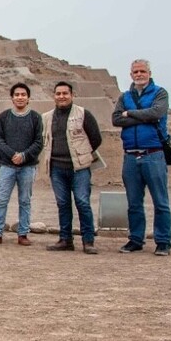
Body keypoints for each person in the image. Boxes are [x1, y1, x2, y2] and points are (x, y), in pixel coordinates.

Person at [112, 59, 171, 256]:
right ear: (131, 75)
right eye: (135, 72)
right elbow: (116, 119)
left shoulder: (160, 93)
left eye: (142, 71)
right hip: (131, 155)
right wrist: (142, 116)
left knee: (160, 201)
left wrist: (130, 114)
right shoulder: (125, 96)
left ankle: (163, 241)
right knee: (134, 202)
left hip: (153, 154)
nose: (139, 75)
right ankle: (136, 239)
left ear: (149, 73)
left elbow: (157, 113)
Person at [44, 82, 102, 254]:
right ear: (54, 95)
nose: (62, 96)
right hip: (56, 167)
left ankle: (88, 241)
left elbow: (96, 138)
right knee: (62, 204)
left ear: (72, 95)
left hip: (80, 168)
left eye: (65, 93)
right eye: (58, 93)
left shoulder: (83, 114)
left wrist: (82, 154)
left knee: (82, 202)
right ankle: (65, 239)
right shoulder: (46, 117)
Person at [0, 83, 43, 247]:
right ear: (12, 98)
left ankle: (23, 234)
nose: (20, 97)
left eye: (23, 94)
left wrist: (23, 156)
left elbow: (39, 141)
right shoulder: (3, 117)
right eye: (17, 94)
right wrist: (12, 155)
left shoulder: (35, 118)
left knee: (25, 200)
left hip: (28, 166)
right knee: (1, 200)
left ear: (28, 98)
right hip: (7, 166)